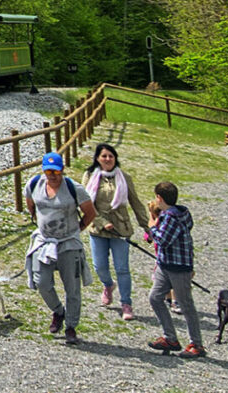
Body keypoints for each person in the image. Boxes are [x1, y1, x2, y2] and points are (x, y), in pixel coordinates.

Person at [24, 151, 95, 345]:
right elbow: (31, 206)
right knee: (42, 282)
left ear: (62, 170)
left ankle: (71, 326)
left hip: (68, 243)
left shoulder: (74, 188)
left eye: (56, 171)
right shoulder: (33, 185)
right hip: (44, 242)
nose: (52, 175)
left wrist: (77, 230)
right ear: (43, 171)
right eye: (48, 171)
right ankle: (58, 311)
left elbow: (90, 212)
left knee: (72, 287)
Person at [84, 142, 151, 320]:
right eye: (104, 156)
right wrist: (101, 221)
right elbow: (84, 203)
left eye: (111, 156)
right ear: (98, 158)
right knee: (100, 266)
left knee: (122, 268)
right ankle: (108, 285)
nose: (107, 159)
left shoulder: (124, 177)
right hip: (98, 229)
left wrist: (147, 227)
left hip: (120, 229)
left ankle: (126, 304)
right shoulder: (89, 176)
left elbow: (136, 203)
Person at [143, 180, 204, 357]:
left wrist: (152, 227)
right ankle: (170, 337)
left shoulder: (171, 217)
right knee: (155, 297)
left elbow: (163, 240)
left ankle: (196, 344)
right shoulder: (181, 213)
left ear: (159, 198)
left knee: (186, 305)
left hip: (179, 267)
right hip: (165, 264)